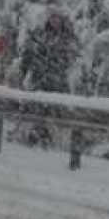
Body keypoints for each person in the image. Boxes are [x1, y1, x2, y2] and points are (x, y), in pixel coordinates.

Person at [19, 9, 78, 148]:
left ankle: (50, 138)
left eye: (57, 17)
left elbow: (71, 59)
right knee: (37, 109)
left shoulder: (67, 37)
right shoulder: (41, 35)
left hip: (57, 83)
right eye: (52, 17)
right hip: (40, 81)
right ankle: (37, 134)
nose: (54, 21)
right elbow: (28, 56)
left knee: (54, 112)